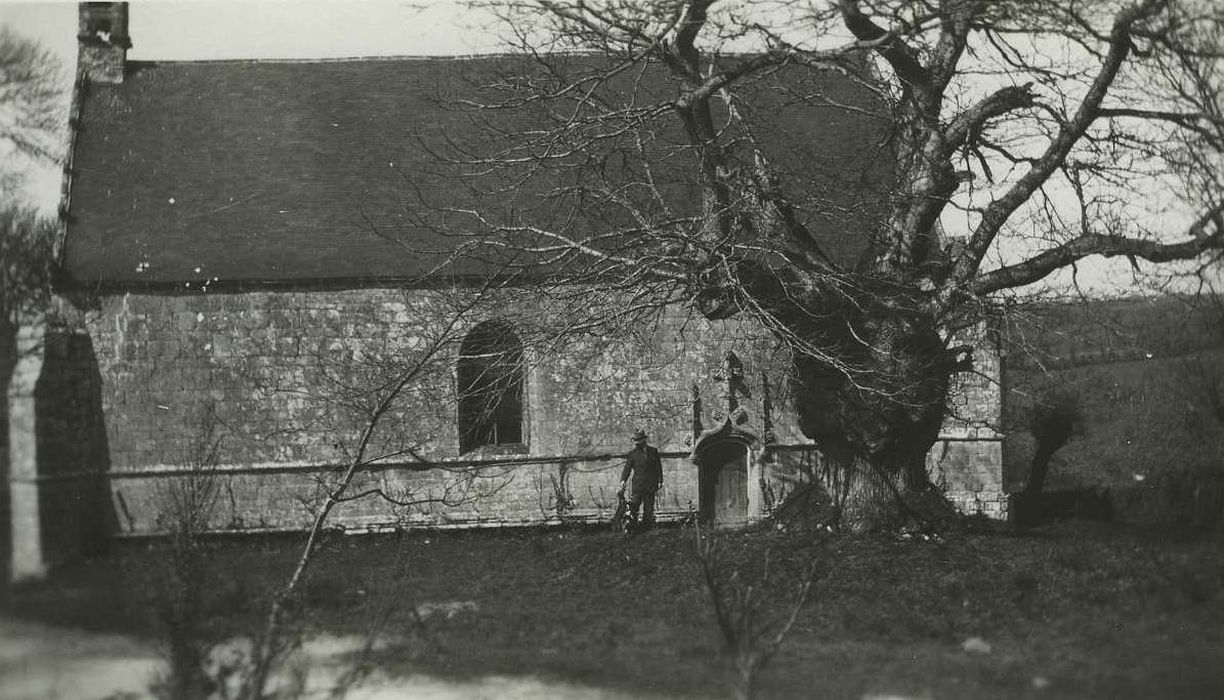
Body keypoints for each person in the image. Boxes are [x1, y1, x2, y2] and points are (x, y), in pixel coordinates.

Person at [619, 429, 663, 529]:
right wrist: (623, 480)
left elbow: (658, 467)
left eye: (638, 440)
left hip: (650, 484)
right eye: (635, 440)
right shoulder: (632, 454)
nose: (636, 443)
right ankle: (633, 527)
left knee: (648, 508)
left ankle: (646, 528)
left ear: (644, 440)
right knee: (634, 507)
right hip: (637, 485)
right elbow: (627, 468)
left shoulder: (653, 452)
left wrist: (660, 480)